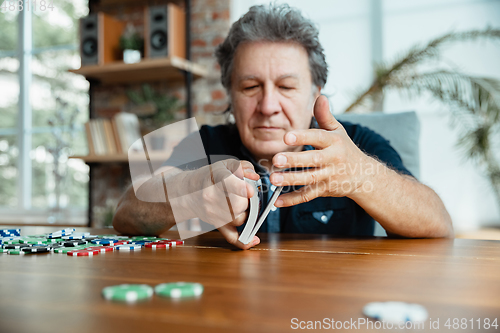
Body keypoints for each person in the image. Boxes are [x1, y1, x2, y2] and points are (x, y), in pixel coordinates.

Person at [113, 4, 453, 249]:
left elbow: (438, 223)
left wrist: (361, 174)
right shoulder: (206, 142)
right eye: (250, 87)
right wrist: (190, 190)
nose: (268, 107)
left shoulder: (357, 144)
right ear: (230, 94)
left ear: (314, 95)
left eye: (287, 87)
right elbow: (126, 213)